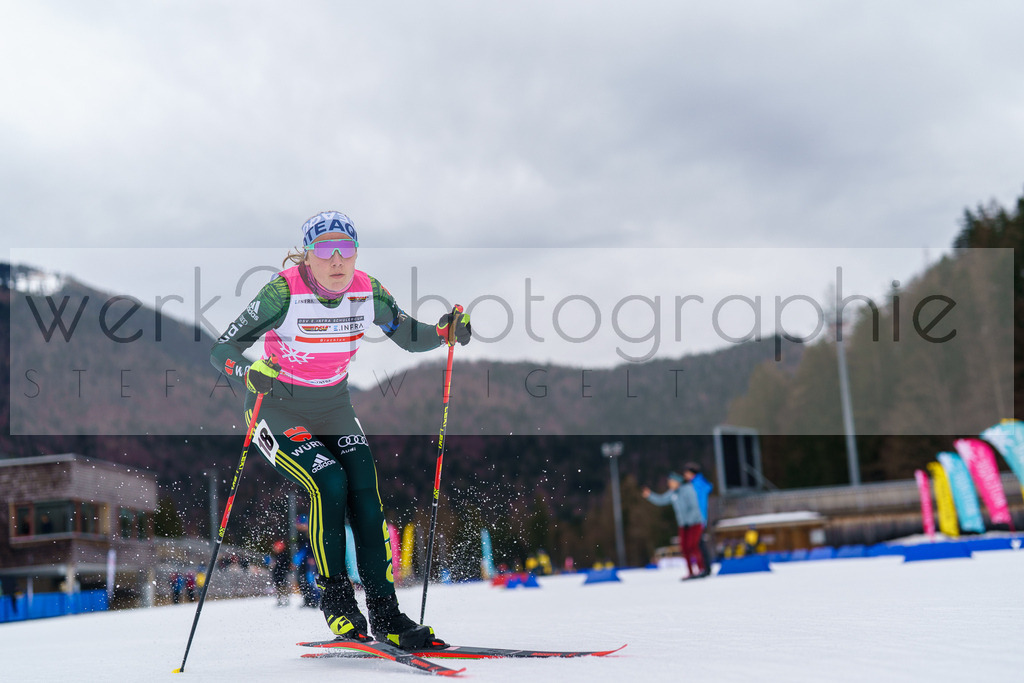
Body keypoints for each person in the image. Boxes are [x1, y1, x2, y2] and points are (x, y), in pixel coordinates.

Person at [210, 210, 472, 649]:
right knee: (328, 481)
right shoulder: (282, 292)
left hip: (333, 405)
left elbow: (408, 334)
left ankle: (387, 614)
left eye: (346, 249)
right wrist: (248, 370)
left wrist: (443, 332)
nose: (336, 259)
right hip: (276, 406)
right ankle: (336, 601)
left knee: (365, 495)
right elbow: (223, 349)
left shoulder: (367, 291)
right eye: (324, 250)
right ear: (308, 257)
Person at [643, 467, 706, 580]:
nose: (669, 484)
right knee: (684, 548)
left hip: (694, 523)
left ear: (677, 482)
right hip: (683, 525)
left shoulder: (688, 490)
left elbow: (694, 508)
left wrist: (689, 521)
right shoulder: (673, 493)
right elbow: (661, 500)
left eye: (671, 482)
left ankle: (701, 569)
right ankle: (691, 572)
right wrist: (650, 495)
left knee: (693, 546)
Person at [271, 540, 292, 607]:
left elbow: (287, 565)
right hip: (278, 573)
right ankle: (280, 600)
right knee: (279, 587)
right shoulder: (276, 556)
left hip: (282, 574)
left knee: (283, 587)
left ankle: (285, 599)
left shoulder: (284, 556)